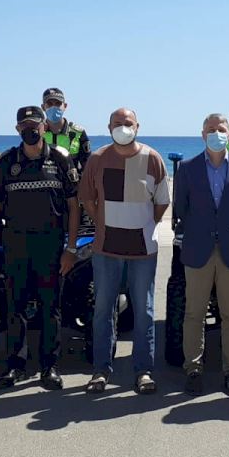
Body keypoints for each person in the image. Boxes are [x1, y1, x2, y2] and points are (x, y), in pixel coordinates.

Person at [0, 106, 80, 389]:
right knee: (15, 308)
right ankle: (16, 366)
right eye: (24, 126)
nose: (30, 130)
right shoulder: (6, 162)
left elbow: (74, 207)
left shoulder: (61, 159)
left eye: (34, 125)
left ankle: (49, 366)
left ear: (44, 127)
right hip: (15, 247)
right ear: (17, 130)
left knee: (51, 308)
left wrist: (71, 249)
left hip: (51, 247)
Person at [78, 107, 170, 395]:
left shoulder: (153, 159)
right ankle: (101, 370)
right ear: (108, 127)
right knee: (103, 310)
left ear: (137, 126)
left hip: (143, 250)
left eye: (128, 123)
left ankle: (143, 371)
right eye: (117, 123)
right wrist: (104, 224)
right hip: (106, 248)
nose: (123, 127)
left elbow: (161, 202)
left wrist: (144, 225)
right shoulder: (97, 159)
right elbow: (87, 198)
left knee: (144, 311)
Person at [172, 114, 229, 396]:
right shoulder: (188, 168)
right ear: (202, 134)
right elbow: (181, 209)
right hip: (198, 248)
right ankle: (193, 370)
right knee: (194, 313)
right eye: (211, 130)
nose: (216, 134)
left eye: (221, 129)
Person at [41, 87, 92, 174]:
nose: (54, 107)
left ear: (65, 106)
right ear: (43, 107)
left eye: (58, 103)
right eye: (49, 104)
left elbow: (88, 167)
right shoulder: (38, 133)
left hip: (72, 181)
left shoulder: (78, 133)